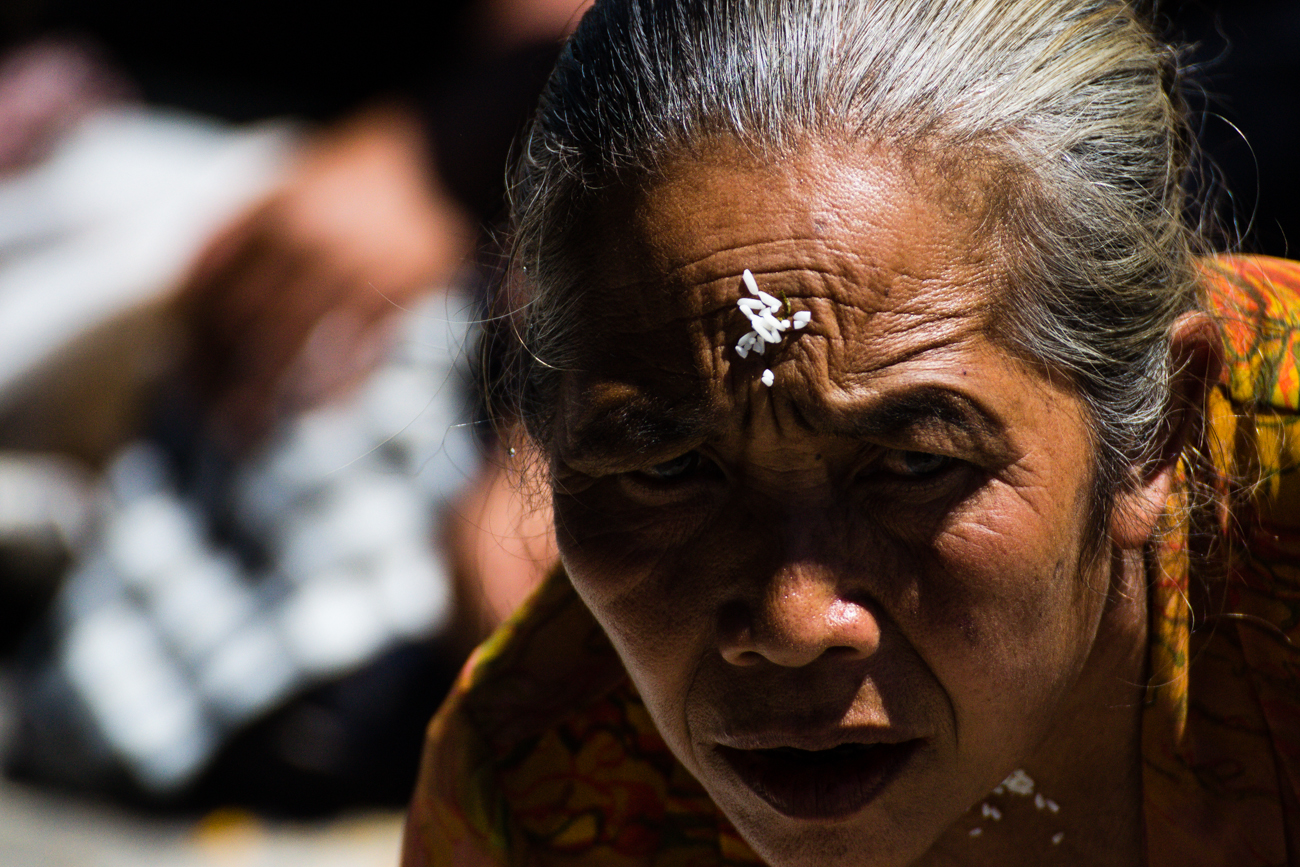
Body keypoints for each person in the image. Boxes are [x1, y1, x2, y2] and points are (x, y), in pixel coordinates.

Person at [401, 0, 1300, 863]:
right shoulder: (542, 805)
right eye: (670, 469)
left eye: (912, 464)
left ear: (1156, 429)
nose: (792, 623)